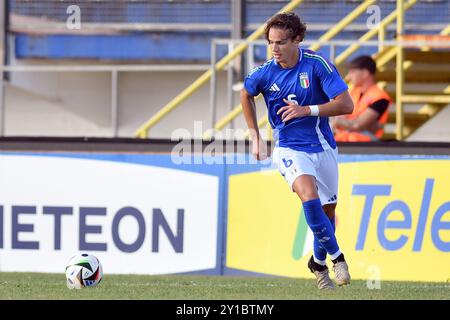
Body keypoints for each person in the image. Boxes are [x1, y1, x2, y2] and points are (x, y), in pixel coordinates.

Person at [240, 12, 353, 290]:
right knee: (309, 196)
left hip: (324, 147)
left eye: (281, 42)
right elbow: (246, 93)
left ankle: (317, 262)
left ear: (297, 39)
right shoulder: (265, 72)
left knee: (327, 214)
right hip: (290, 148)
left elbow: (346, 105)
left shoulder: (317, 65)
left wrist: (307, 110)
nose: (275, 48)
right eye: (270, 43)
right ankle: (338, 258)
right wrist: (255, 136)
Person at [333, 55, 392, 142]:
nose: (349, 77)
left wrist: (338, 121)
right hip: (344, 141)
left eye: (352, 72)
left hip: (366, 145)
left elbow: (358, 125)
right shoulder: (352, 92)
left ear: (365, 73)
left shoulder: (380, 97)